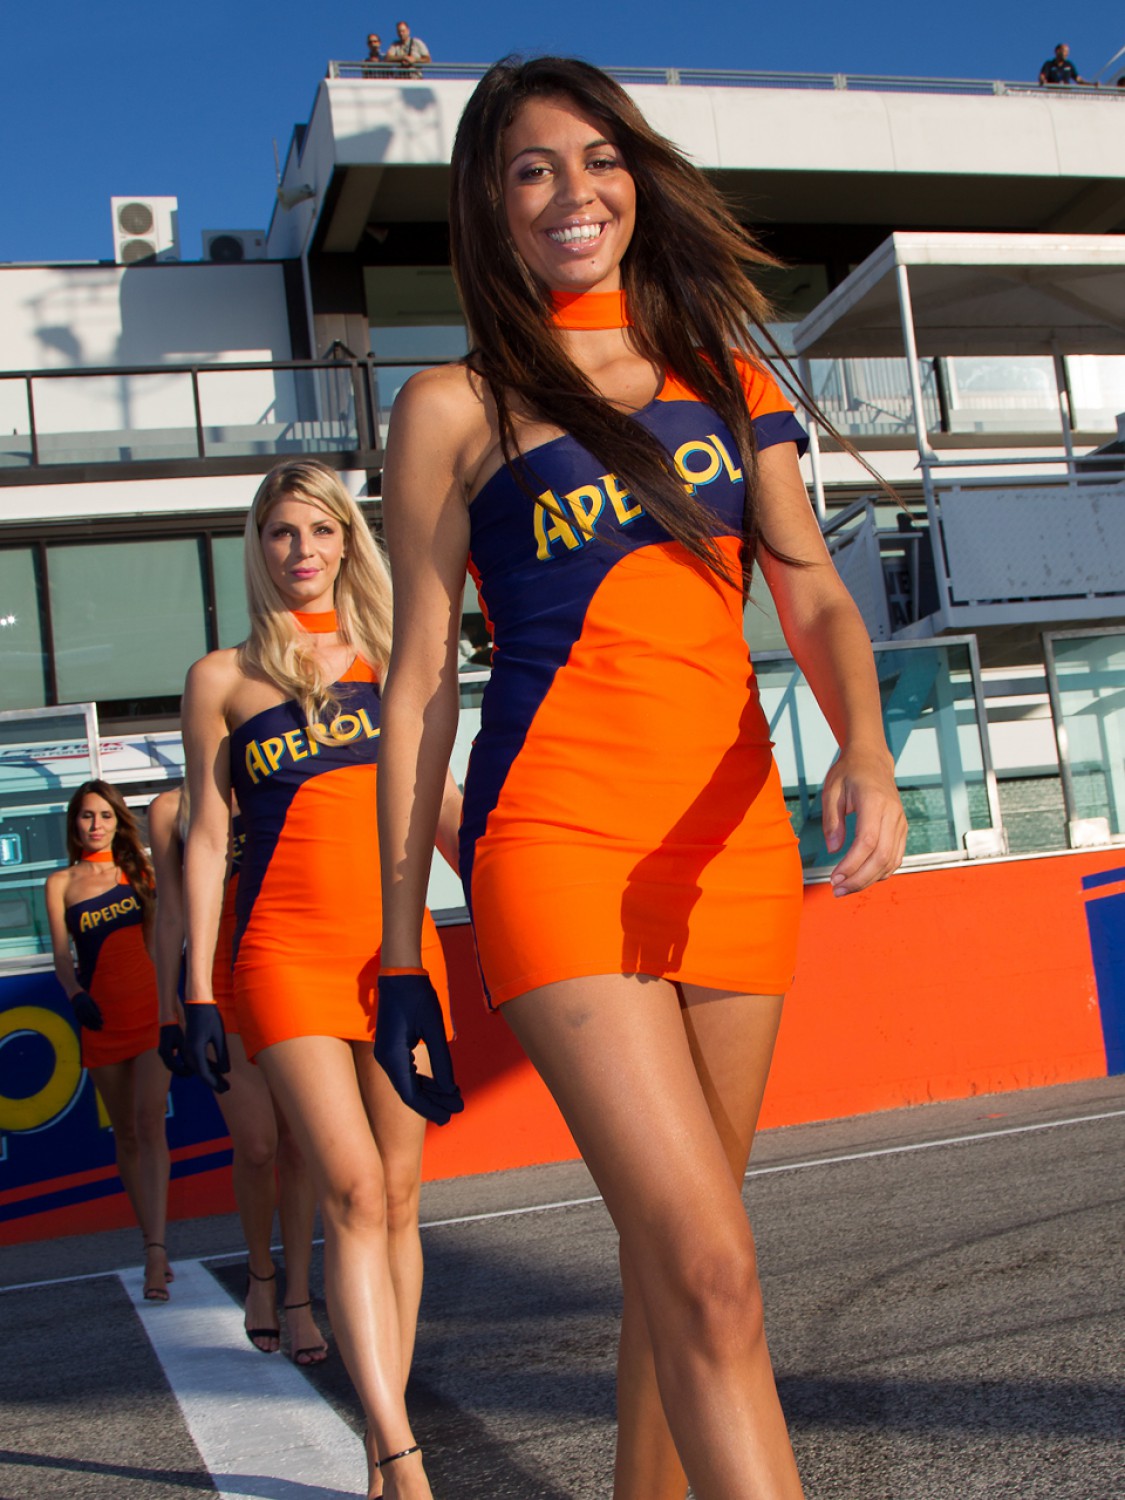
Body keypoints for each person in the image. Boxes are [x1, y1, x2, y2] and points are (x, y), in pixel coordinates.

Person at [374, 56, 908, 1500]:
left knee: (678, 1269)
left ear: (636, 175)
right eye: (531, 168)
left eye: (597, 158)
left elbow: (811, 592)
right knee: (712, 1270)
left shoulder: (728, 377)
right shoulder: (452, 405)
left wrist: (861, 740)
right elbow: (417, 680)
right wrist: (398, 946)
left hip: (730, 841)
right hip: (553, 840)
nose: (572, 191)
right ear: (490, 207)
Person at [180, 459, 461, 1500]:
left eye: (318, 531)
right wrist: (196, 990)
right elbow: (209, 841)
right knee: (347, 1186)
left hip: (396, 952)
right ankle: (395, 1444)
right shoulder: (223, 679)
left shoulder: (398, 659)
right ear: (257, 551)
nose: (300, 552)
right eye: (278, 534)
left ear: (349, 541)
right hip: (283, 957)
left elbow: (443, 809)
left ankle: (388, 1430)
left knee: (397, 1193)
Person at [148, 784, 326, 1364]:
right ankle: (260, 1276)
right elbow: (171, 910)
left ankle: (297, 1297)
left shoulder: (274, 768)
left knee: (298, 1145)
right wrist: (167, 1006)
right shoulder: (171, 810)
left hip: (288, 966)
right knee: (256, 1145)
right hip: (219, 984)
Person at [45, 779, 173, 1303]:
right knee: (126, 1136)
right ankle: (149, 1237)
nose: (95, 824)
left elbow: (159, 941)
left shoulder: (138, 873)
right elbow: (60, 954)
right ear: (74, 823)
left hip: (148, 1012)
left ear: (118, 822)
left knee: (149, 1123)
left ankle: (156, 1252)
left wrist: (175, 1006)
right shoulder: (60, 883)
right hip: (98, 1018)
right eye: (86, 816)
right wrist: (74, 993)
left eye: (104, 815)